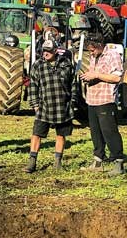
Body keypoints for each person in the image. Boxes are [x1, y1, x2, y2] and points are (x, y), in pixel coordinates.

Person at [80, 27, 125, 176]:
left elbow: (117, 77)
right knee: (96, 132)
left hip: (106, 100)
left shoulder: (113, 55)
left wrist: (96, 75)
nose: (91, 53)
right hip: (93, 99)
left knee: (109, 132)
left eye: (92, 50)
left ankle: (118, 162)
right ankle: (98, 160)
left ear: (99, 45)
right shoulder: (95, 57)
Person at [26, 37, 74, 173]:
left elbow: (73, 84)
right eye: (43, 51)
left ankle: (57, 162)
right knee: (36, 134)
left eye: (48, 51)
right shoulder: (38, 65)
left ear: (55, 51)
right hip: (44, 106)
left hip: (62, 106)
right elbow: (33, 86)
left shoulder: (66, 64)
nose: (45, 53)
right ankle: (32, 162)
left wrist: (73, 101)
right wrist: (35, 104)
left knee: (61, 134)